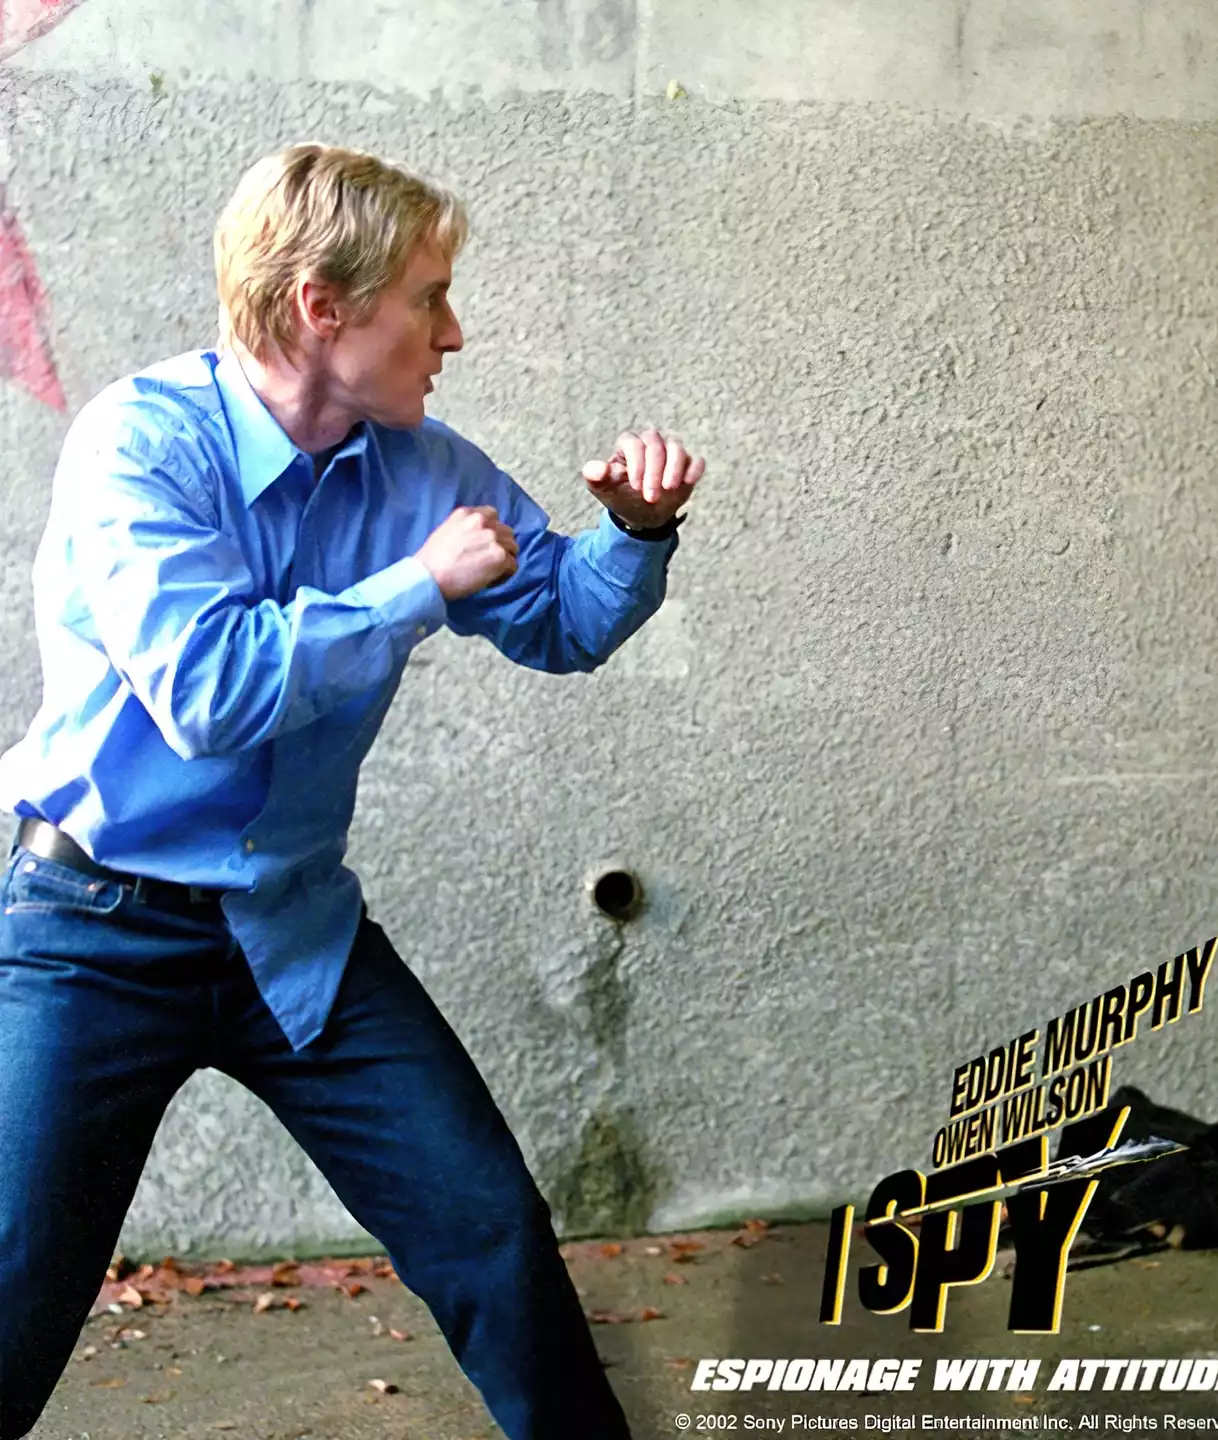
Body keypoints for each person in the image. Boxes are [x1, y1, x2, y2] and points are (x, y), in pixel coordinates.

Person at [0, 143, 701, 1440]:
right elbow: (206, 693)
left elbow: (561, 620)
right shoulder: (141, 444)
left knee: (488, 1227)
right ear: (322, 306)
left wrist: (635, 530)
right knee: (13, 1289)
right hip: (92, 927)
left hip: (295, 930)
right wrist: (415, 585)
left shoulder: (425, 468)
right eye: (430, 298)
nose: (455, 331)